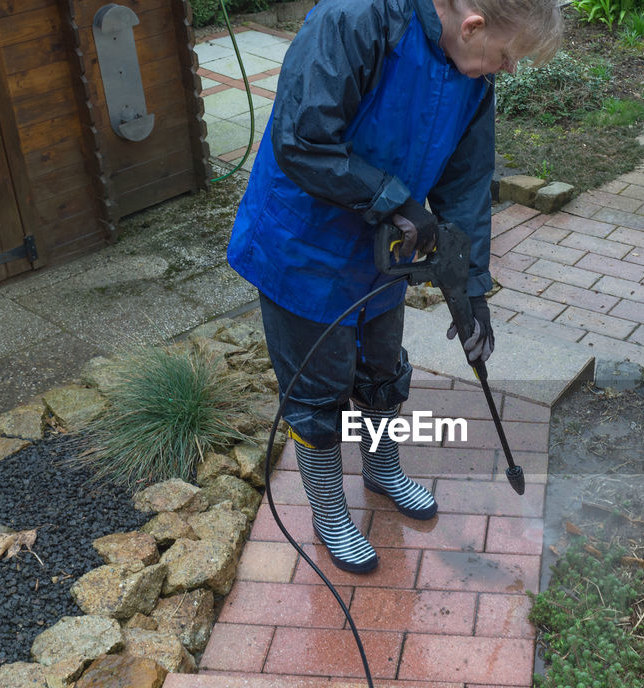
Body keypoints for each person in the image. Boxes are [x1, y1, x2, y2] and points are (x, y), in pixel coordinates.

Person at [227, 0, 562, 574]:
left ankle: (382, 470)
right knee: (317, 388)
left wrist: (470, 287)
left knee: (382, 366)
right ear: (473, 24)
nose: (507, 71)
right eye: (507, 57)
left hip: (384, 250)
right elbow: (304, 140)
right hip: (304, 244)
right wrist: (393, 201)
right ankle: (330, 510)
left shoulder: (470, 72)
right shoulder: (356, 20)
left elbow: (466, 183)